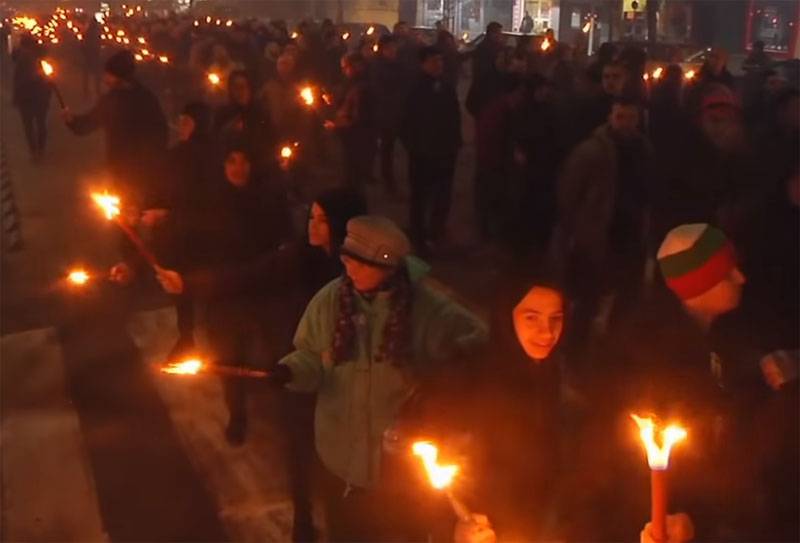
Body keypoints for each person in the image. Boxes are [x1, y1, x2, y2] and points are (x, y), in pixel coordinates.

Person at [157, 188, 367, 541]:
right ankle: (303, 522)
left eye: (322, 220)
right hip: (297, 375)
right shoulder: (297, 257)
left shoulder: (362, 274)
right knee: (298, 449)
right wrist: (187, 284)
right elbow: (245, 276)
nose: (312, 225)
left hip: (343, 387)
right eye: (311, 217)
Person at [269, 215, 488, 542]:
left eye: (361, 264)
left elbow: (479, 340)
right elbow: (311, 356)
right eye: (346, 260)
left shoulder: (427, 309)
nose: (350, 271)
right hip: (342, 464)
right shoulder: (331, 300)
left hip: (399, 475)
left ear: (388, 267)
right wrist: (291, 370)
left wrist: (443, 383)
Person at [550, 96, 654, 351]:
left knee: (625, 298)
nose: (625, 124)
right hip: (598, 237)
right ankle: (575, 352)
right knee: (588, 299)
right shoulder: (591, 151)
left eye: (631, 118)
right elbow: (569, 193)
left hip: (630, 235)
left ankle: (612, 351)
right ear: (610, 117)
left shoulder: (644, 150)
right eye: (620, 117)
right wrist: (572, 232)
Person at [63, 50, 168, 208]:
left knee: (137, 211)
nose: (105, 78)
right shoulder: (113, 99)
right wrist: (72, 120)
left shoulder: (145, 100)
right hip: (120, 168)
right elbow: (88, 123)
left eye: (109, 74)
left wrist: (153, 160)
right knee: (124, 213)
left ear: (121, 77)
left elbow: (160, 133)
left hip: (141, 169)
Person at [400, 46, 462, 253]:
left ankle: (437, 232)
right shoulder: (414, 87)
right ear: (423, 63)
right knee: (420, 196)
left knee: (442, 194)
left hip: (445, 150)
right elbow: (405, 119)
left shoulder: (445, 86)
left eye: (440, 61)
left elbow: (454, 117)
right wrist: (413, 144)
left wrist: (455, 142)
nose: (439, 65)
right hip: (422, 151)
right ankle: (419, 237)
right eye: (434, 61)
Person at [325, 53, 376, 191]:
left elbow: (358, 118)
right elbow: (347, 102)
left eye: (346, 67)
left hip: (355, 137)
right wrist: (333, 101)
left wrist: (336, 125)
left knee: (352, 171)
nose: (344, 70)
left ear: (356, 66)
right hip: (350, 134)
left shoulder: (362, 87)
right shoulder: (352, 83)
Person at [369, 35, 408, 195]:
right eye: (389, 48)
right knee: (386, 150)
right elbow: (378, 91)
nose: (393, 51)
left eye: (394, 47)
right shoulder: (377, 67)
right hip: (385, 115)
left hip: (399, 113)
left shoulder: (398, 65)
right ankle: (389, 184)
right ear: (383, 49)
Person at [213, 70, 272, 171]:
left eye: (244, 86)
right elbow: (215, 143)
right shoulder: (222, 114)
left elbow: (269, 142)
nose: (241, 91)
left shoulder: (261, 114)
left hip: (256, 169)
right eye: (236, 87)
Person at [12, 35, 52, 162]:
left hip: (27, 98)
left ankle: (34, 151)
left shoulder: (22, 59)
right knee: (40, 124)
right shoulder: (42, 58)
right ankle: (39, 151)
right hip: (40, 97)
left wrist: (16, 97)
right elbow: (49, 79)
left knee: (29, 126)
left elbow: (18, 81)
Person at [465, 22, 506, 119]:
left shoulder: (498, 47)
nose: (500, 36)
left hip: (491, 90)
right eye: (498, 33)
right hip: (486, 92)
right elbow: (481, 70)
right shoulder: (485, 49)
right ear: (492, 33)